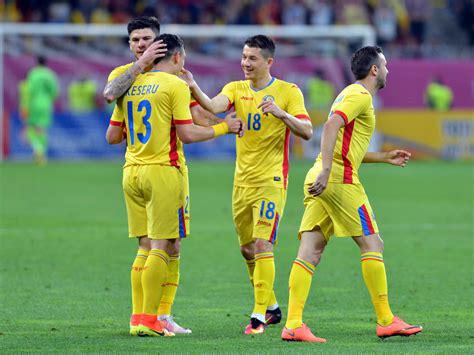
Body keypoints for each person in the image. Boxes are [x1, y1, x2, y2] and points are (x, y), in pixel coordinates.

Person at [104, 16, 236, 336]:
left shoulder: (137, 84)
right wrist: (224, 128)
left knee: (152, 246)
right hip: (165, 170)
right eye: (135, 40)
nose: (141, 45)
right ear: (176, 56)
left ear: (160, 44)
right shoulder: (131, 77)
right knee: (164, 245)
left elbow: (112, 135)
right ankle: (152, 319)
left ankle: (143, 318)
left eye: (146, 39)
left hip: (131, 171)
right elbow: (188, 130)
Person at [280, 46, 423, 342]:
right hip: (338, 180)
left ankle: (293, 324)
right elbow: (331, 125)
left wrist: (383, 157)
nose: (387, 70)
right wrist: (327, 171)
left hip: (323, 176)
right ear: (374, 70)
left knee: (310, 250)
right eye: (384, 65)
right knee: (373, 242)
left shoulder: (348, 93)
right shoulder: (360, 96)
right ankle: (385, 320)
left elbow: (346, 143)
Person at [181, 35, 313, 334]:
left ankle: (257, 316)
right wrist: (192, 85)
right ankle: (272, 307)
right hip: (242, 182)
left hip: (271, 180)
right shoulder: (235, 88)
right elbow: (213, 106)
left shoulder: (288, 92)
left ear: (269, 62)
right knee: (246, 249)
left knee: (263, 244)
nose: (245, 63)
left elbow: (306, 130)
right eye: (243, 57)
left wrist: (281, 113)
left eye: (252, 58)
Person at [24, 56, 59, 164]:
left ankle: (37, 149)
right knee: (42, 129)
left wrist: (25, 106)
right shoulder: (50, 74)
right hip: (46, 103)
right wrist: (49, 100)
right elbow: (54, 91)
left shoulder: (33, 73)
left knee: (32, 128)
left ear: (36, 62)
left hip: (34, 103)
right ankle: (41, 153)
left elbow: (29, 90)